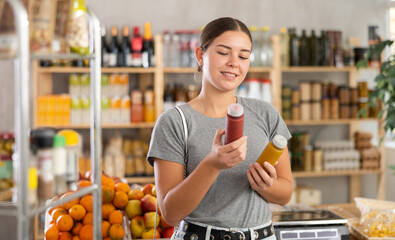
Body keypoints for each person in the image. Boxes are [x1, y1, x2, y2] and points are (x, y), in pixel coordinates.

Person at [147, 17, 293, 240]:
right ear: (200, 56)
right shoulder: (175, 122)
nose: (234, 62)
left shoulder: (266, 114)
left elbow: (285, 194)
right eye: (224, 52)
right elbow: (171, 213)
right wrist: (212, 164)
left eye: (243, 56)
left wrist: (266, 185)